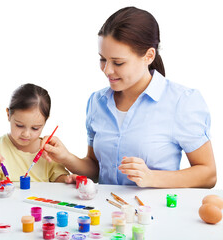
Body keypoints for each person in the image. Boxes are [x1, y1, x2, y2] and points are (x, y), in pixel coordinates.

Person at [41, 6, 216, 188]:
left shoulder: (182, 101)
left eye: (118, 62)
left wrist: (152, 178)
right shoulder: (97, 102)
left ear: (148, 56)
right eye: (103, 59)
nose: (107, 70)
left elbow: (208, 174)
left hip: (153, 213)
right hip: (108, 212)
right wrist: (66, 157)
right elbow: (96, 171)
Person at [0, 83, 73, 183]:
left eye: (35, 128)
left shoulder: (48, 150)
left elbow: (59, 178)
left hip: (38, 204)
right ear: (8, 115)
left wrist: (68, 180)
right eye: (19, 125)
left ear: (45, 121)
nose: (26, 134)